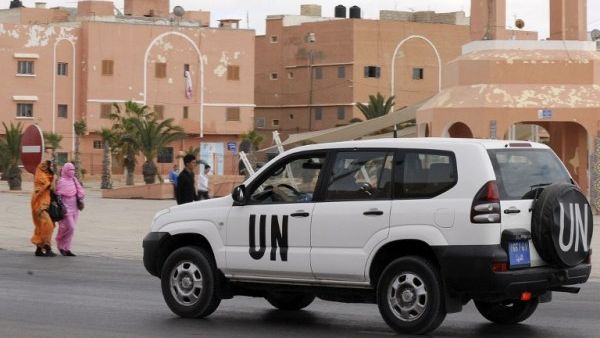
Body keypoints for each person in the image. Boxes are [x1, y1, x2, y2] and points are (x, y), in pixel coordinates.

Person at [55, 162, 85, 256]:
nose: (72, 172)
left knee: (72, 229)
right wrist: (62, 207)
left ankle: (67, 248)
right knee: (69, 227)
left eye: (73, 170)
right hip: (65, 209)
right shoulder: (61, 181)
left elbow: (80, 192)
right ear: (65, 170)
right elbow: (58, 195)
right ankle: (60, 244)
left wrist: (80, 198)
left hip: (75, 208)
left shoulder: (74, 180)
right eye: (70, 170)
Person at [30, 160, 57, 257]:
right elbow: (49, 187)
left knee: (45, 226)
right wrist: (53, 180)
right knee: (47, 225)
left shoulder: (49, 176)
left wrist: (53, 178)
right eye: (44, 166)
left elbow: (53, 188)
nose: (46, 167)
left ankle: (39, 249)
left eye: (47, 166)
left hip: (47, 203)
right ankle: (47, 247)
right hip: (39, 204)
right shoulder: (40, 176)